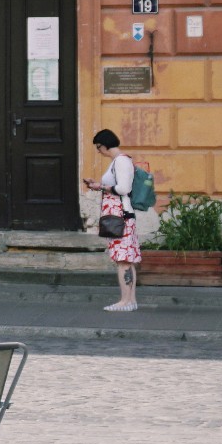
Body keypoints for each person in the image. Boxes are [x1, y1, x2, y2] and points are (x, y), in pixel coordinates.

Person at [84, 127, 140, 313]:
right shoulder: (119, 161)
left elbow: (123, 188)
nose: (98, 151)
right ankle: (130, 301)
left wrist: (101, 186)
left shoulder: (121, 161)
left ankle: (125, 301)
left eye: (97, 147)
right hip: (122, 215)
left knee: (122, 260)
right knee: (126, 260)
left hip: (120, 216)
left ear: (103, 145)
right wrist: (99, 186)